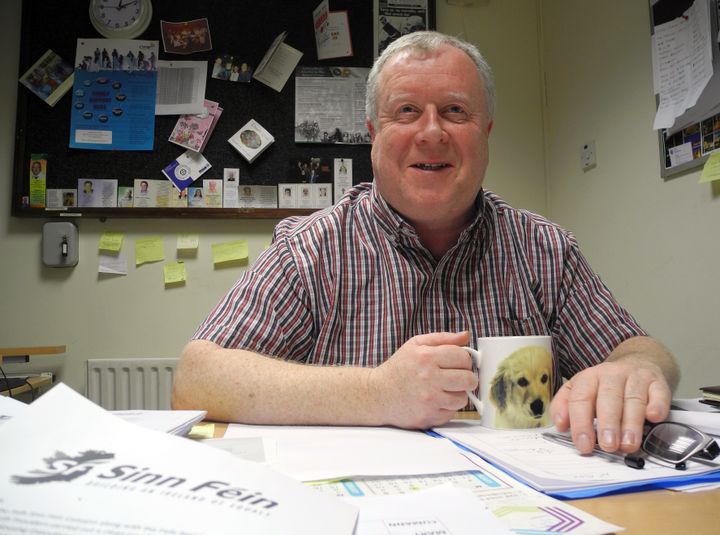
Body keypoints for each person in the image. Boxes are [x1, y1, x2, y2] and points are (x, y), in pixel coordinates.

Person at [173, 31, 679, 457]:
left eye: (455, 111)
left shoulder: (545, 249)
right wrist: (378, 393)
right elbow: (198, 378)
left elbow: (641, 350)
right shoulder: (309, 250)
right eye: (407, 111)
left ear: (486, 130)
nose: (431, 132)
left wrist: (634, 370)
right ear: (373, 132)